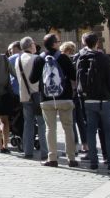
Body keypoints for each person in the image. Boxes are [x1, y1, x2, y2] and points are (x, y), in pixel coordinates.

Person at [76, 32, 110, 171]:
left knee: (90, 131)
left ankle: (94, 162)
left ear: (85, 43)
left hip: (88, 100)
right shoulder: (103, 58)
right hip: (103, 100)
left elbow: (78, 79)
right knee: (108, 132)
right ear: (97, 43)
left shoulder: (81, 58)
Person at [31, 33, 77, 168]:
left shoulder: (39, 59)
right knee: (68, 128)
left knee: (50, 129)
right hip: (65, 97)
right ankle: (71, 158)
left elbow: (32, 79)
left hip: (46, 99)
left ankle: (52, 158)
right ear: (55, 44)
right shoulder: (63, 57)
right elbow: (74, 75)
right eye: (58, 41)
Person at [16, 36, 48, 161]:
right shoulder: (36, 59)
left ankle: (27, 151)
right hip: (37, 95)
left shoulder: (18, 59)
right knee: (41, 124)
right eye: (34, 44)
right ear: (30, 45)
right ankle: (45, 151)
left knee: (28, 124)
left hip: (24, 95)